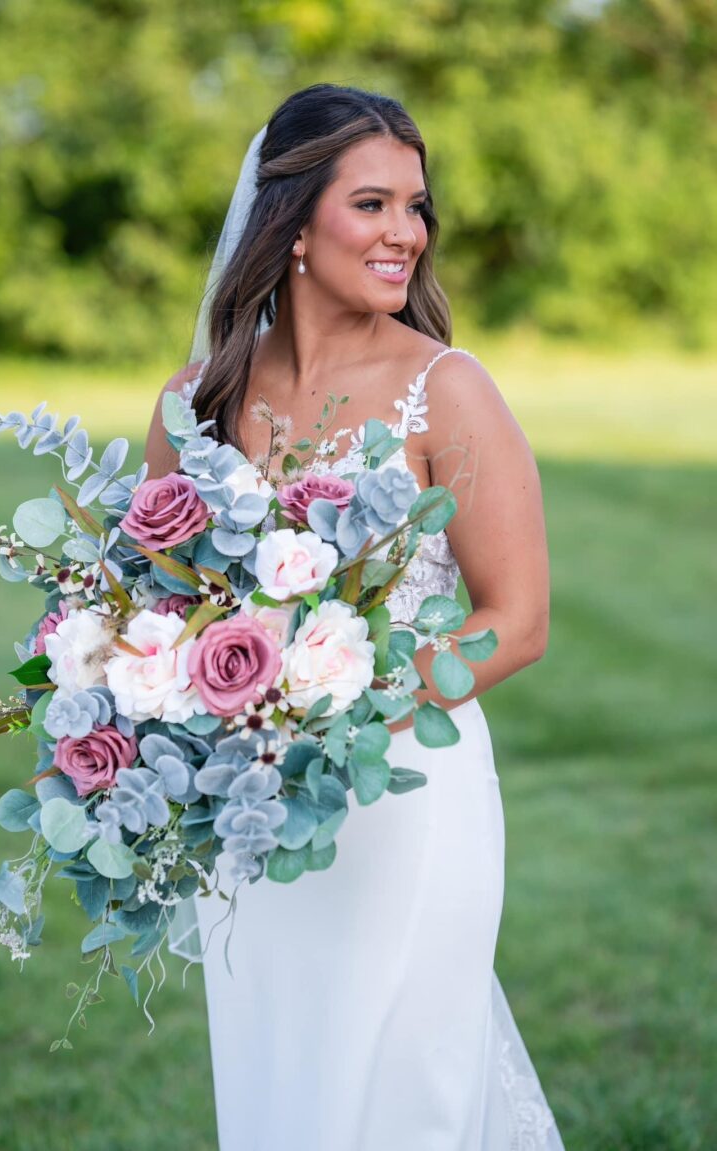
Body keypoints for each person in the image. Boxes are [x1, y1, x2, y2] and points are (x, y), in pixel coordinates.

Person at [144, 83, 563, 1151]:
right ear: (288, 222)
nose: (406, 235)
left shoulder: (447, 389)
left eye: (416, 207)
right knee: (290, 1077)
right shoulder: (192, 408)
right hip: (249, 808)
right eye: (372, 204)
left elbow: (514, 620)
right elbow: (160, 609)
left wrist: (335, 695)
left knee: (404, 1080)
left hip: (408, 795)